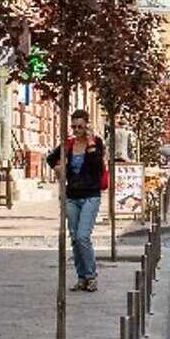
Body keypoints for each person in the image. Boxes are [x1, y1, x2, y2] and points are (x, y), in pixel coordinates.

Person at [46, 110, 107, 293]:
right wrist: (58, 167)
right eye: (74, 127)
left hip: (90, 195)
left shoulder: (95, 143)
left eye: (80, 126)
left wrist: (89, 146)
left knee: (82, 236)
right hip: (71, 196)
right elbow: (50, 158)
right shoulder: (68, 144)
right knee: (74, 238)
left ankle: (91, 276)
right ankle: (81, 278)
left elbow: (97, 167)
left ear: (87, 125)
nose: (77, 130)